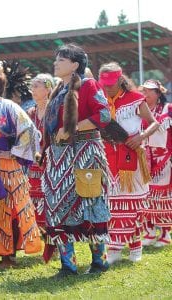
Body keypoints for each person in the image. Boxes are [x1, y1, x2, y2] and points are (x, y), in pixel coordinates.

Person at [42, 43, 112, 276]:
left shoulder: (88, 84)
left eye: (61, 60)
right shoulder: (58, 90)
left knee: (90, 203)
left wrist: (72, 128)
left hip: (85, 152)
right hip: (59, 155)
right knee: (57, 205)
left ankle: (99, 261)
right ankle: (68, 265)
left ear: (74, 65)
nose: (56, 63)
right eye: (56, 59)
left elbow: (103, 114)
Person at [0, 66, 42, 268]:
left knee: (4, 207)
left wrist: (13, 152)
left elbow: (30, 130)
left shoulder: (7, 107)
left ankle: (8, 254)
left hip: (2, 166)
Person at [98, 62, 159, 264]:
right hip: (107, 157)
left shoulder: (135, 100)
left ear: (120, 79)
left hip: (130, 155)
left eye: (111, 82)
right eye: (104, 82)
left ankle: (135, 246)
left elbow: (154, 123)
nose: (107, 86)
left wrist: (140, 138)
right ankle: (114, 247)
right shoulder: (100, 100)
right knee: (112, 205)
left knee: (131, 204)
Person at [140, 79, 172, 247]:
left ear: (158, 93)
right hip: (144, 159)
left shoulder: (169, 109)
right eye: (143, 90)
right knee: (146, 196)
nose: (145, 93)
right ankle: (150, 231)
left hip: (163, 159)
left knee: (163, 197)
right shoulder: (140, 110)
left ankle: (166, 233)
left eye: (149, 90)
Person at [27, 73, 54, 230]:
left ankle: (53, 236)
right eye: (32, 86)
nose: (33, 89)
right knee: (34, 198)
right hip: (34, 162)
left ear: (48, 88)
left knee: (51, 198)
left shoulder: (54, 110)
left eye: (36, 86)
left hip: (52, 162)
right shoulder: (30, 112)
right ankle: (43, 233)